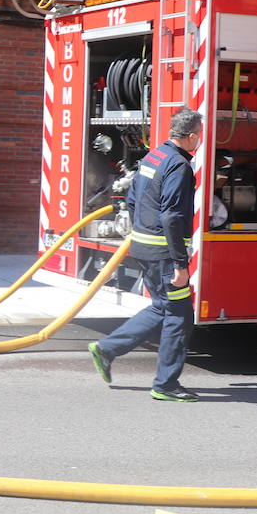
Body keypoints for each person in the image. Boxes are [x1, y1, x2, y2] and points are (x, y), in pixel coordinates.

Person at [88, 108, 203, 402]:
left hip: (144, 248)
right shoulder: (179, 166)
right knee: (179, 315)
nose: (199, 140)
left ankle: (106, 349)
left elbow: (132, 199)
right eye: (199, 136)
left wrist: (141, 234)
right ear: (191, 137)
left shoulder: (153, 157)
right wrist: (180, 264)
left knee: (162, 307)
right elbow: (172, 218)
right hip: (165, 255)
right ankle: (166, 385)